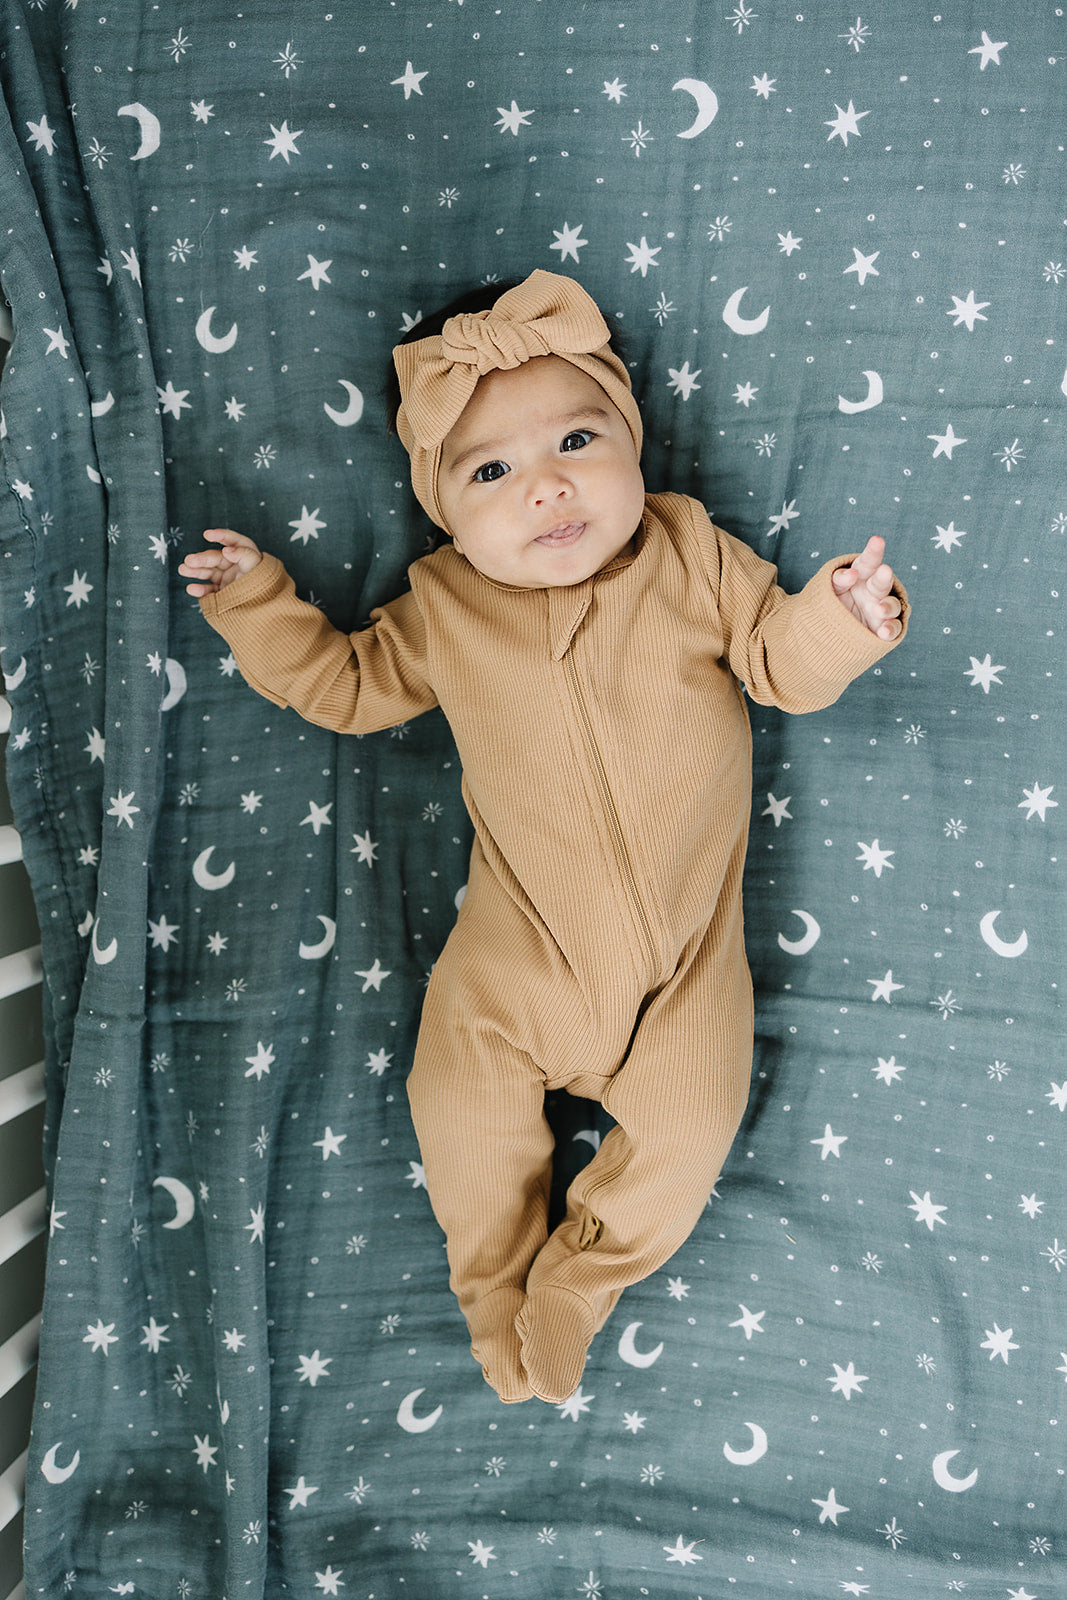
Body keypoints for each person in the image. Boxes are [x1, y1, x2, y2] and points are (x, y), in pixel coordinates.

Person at [179, 270, 907, 1405]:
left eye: (576, 437)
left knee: (691, 1130)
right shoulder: (444, 608)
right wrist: (256, 602)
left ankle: (575, 1283)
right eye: (490, 470)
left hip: (683, 971)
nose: (547, 486)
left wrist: (838, 619)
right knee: (454, 1097)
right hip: (515, 961)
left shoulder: (688, 554)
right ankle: (493, 1293)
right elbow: (347, 684)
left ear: (631, 442)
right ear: (443, 515)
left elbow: (775, 661)